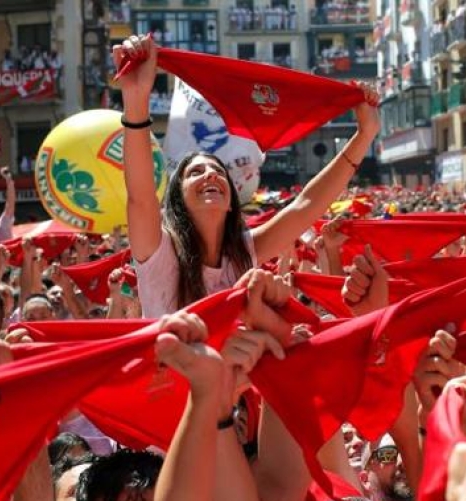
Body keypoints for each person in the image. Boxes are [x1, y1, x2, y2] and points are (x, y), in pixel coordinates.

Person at [113, 33, 379, 317]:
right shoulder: (159, 252)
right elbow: (141, 198)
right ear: (178, 200)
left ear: (231, 201)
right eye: (196, 172)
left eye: (218, 171)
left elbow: (306, 204)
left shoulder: (243, 252)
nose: (211, 175)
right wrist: (136, 98)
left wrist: (365, 135)